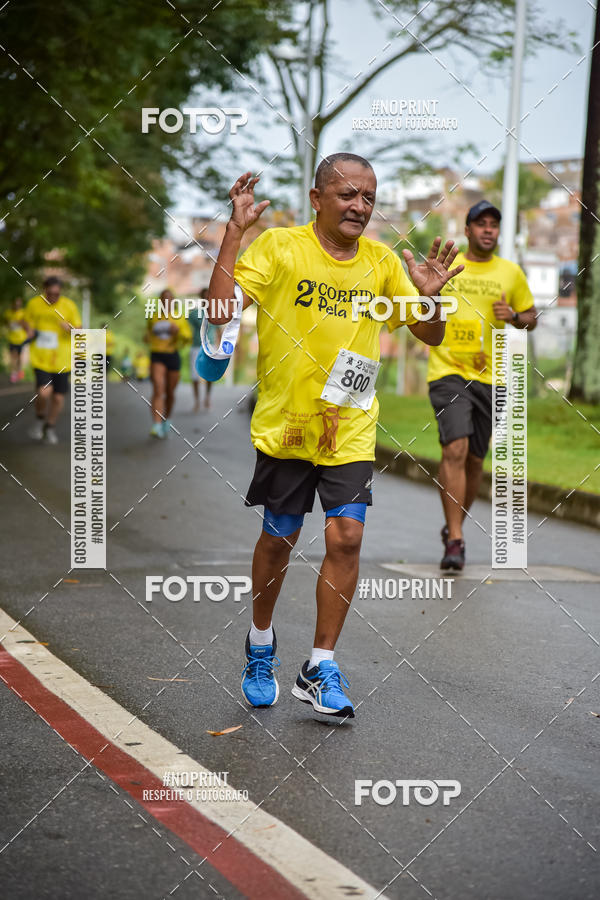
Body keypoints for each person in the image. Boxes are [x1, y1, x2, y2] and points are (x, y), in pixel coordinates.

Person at [208, 155, 463, 719]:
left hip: (349, 426)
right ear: (317, 197)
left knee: (346, 537)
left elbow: (428, 330)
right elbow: (222, 310)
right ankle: (259, 643)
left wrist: (429, 295)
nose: (360, 207)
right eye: (348, 194)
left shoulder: (381, 261)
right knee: (280, 539)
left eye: (369, 198)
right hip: (288, 426)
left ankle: (320, 664)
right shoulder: (279, 248)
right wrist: (233, 235)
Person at [427, 200, 537, 571]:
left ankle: (452, 524)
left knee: (475, 460)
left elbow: (531, 317)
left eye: (494, 224)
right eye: (481, 223)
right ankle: (456, 540)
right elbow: (425, 301)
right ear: (468, 229)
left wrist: (516, 317)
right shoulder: (449, 268)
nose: (488, 229)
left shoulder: (511, 273)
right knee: (455, 449)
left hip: (493, 378)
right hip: (447, 371)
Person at [24, 276, 81, 444]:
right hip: (41, 357)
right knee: (44, 391)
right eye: (50, 294)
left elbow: (79, 329)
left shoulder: (69, 305)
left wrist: (69, 328)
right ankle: (40, 419)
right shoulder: (34, 304)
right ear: (45, 290)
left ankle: (50, 427)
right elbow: (26, 322)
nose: (53, 297)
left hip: (63, 359)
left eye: (57, 294)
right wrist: (29, 330)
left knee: (57, 397)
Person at [144, 288, 191, 438]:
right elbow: (148, 335)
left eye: (169, 298)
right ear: (160, 301)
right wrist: (147, 338)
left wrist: (178, 332)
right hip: (157, 354)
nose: (167, 301)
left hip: (172, 355)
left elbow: (187, 338)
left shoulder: (179, 318)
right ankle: (156, 424)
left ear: (173, 301)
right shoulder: (154, 317)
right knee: (158, 387)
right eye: (164, 298)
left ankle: (167, 419)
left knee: (170, 393)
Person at [189, 287, 213, 412]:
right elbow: (188, 330)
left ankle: (207, 398)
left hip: (211, 347)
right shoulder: (194, 314)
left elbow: (219, 330)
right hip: (196, 346)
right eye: (205, 295)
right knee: (195, 375)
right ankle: (197, 401)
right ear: (201, 297)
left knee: (210, 375)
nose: (207, 298)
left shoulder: (217, 312)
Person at [4, 297, 28, 383]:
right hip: (12, 339)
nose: (17, 305)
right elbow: (6, 323)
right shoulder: (8, 313)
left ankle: (19, 371)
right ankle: (14, 374)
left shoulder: (23, 313)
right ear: (13, 304)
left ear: (20, 304)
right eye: (15, 303)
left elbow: (27, 326)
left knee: (20, 357)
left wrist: (22, 323)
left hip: (21, 339)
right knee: (13, 357)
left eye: (19, 303)